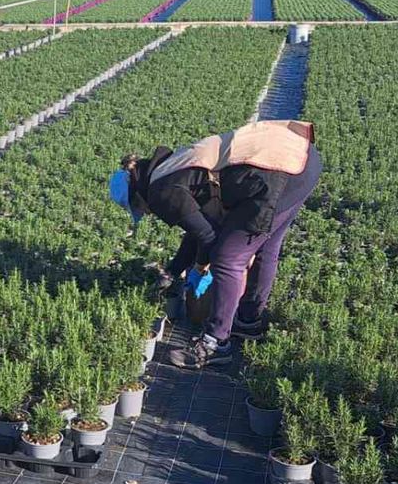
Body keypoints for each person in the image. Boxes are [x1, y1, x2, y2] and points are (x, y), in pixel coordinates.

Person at [113, 119, 323, 369]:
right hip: (300, 158)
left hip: (276, 173)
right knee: (266, 246)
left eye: (140, 209)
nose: (146, 213)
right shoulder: (168, 168)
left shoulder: (162, 192)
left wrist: (201, 269)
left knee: (228, 259)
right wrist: (175, 269)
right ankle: (247, 321)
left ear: (138, 197)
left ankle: (214, 343)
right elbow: (198, 226)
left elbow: (209, 237)